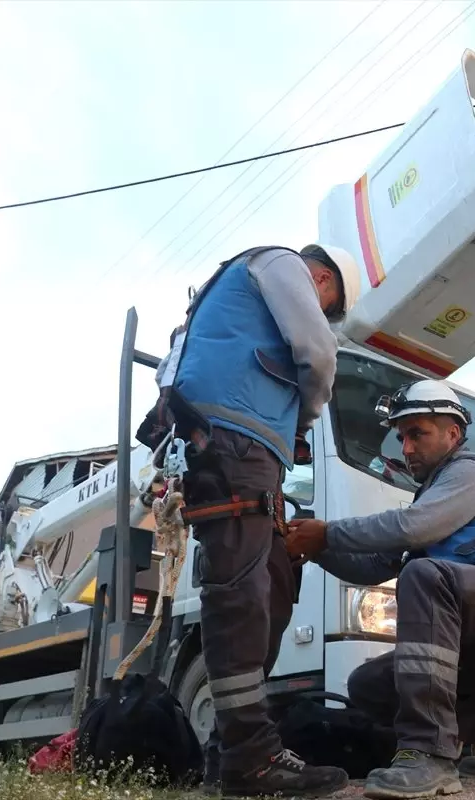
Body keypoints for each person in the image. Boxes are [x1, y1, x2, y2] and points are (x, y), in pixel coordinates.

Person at [140, 243, 362, 798]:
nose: (324, 311)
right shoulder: (281, 263)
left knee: (275, 578)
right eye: (329, 301)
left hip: (242, 442)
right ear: (322, 277)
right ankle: (251, 757)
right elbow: (319, 352)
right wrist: (303, 424)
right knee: (238, 591)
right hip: (233, 438)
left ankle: (228, 751)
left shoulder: (240, 290)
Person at [285, 380, 475, 800]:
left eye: (418, 434)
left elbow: (414, 527)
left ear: (453, 433)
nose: (406, 448)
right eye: (402, 437)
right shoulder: (430, 497)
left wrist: (327, 534)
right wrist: (312, 548)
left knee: (424, 576)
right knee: (368, 685)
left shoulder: (472, 472)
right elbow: (371, 568)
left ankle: (429, 756)